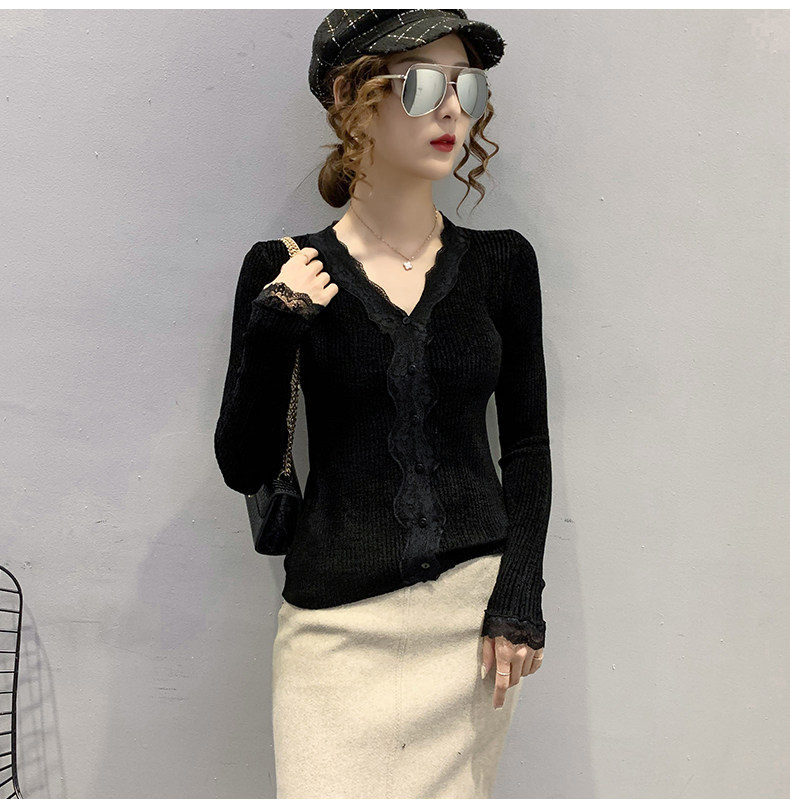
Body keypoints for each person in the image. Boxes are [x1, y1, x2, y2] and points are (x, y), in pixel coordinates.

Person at [214, 9, 552, 799]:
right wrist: (276, 324)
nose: (453, 108)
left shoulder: (502, 264)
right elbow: (244, 465)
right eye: (426, 83)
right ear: (351, 97)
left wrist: (519, 597)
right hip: (333, 630)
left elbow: (527, 446)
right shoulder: (282, 269)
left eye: (467, 85)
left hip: (472, 628)